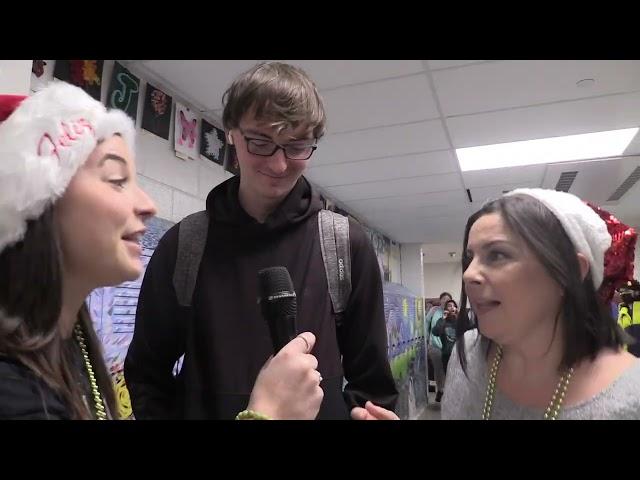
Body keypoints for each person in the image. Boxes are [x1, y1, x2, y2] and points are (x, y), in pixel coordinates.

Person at [0, 81, 322, 420]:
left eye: (296, 145)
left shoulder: (69, 353)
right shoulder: (14, 395)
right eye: (115, 178)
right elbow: (148, 375)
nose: (147, 204)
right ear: (32, 204)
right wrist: (268, 414)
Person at [124, 62, 398, 420]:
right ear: (231, 133)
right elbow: (147, 373)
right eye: (260, 142)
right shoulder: (184, 245)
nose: (279, 164)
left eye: (297, 146)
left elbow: (373, 384)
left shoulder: (345, 245)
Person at [353, 188, 640, 420]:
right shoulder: (468, 352)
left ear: (569, 272)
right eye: (470, 257)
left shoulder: (630, 399)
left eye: (498, 255)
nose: (468, 274)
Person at [426, 292, 451, 402]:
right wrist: (426, 341)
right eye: (444, 299)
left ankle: (446, 391)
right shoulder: (434, 311)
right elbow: (426, 324)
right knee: (438, 370)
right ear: (440, 300)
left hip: (448, 347)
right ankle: (441, 390)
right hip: (434, 346)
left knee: (448, 370)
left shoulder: (452, 311)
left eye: (448, 299)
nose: (445, 301)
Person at [432, 299, 458, 375]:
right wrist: (443, 319)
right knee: (448, 377)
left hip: (458, 355)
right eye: (450, 306)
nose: (452, 307)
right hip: (446, 355)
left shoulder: (459, 321)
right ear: (446, 309)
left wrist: (459, 315)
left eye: (454, 306)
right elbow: (435, 332)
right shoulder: (443, 321)